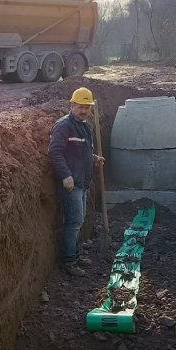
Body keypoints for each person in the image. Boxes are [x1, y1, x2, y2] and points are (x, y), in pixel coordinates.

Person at [48, 87, 105, 277]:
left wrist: (94, 157)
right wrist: (65, 175)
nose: (83, 110)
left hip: (82, 182)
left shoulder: (85, 126)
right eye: (80, 107)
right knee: (74, 222)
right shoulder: (63, 126)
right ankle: (68, 261)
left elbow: (82, 152)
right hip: (71, 184)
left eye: (86, 107)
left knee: (78, 222)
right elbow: (55, 153)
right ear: (72, 105)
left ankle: (75, 253)